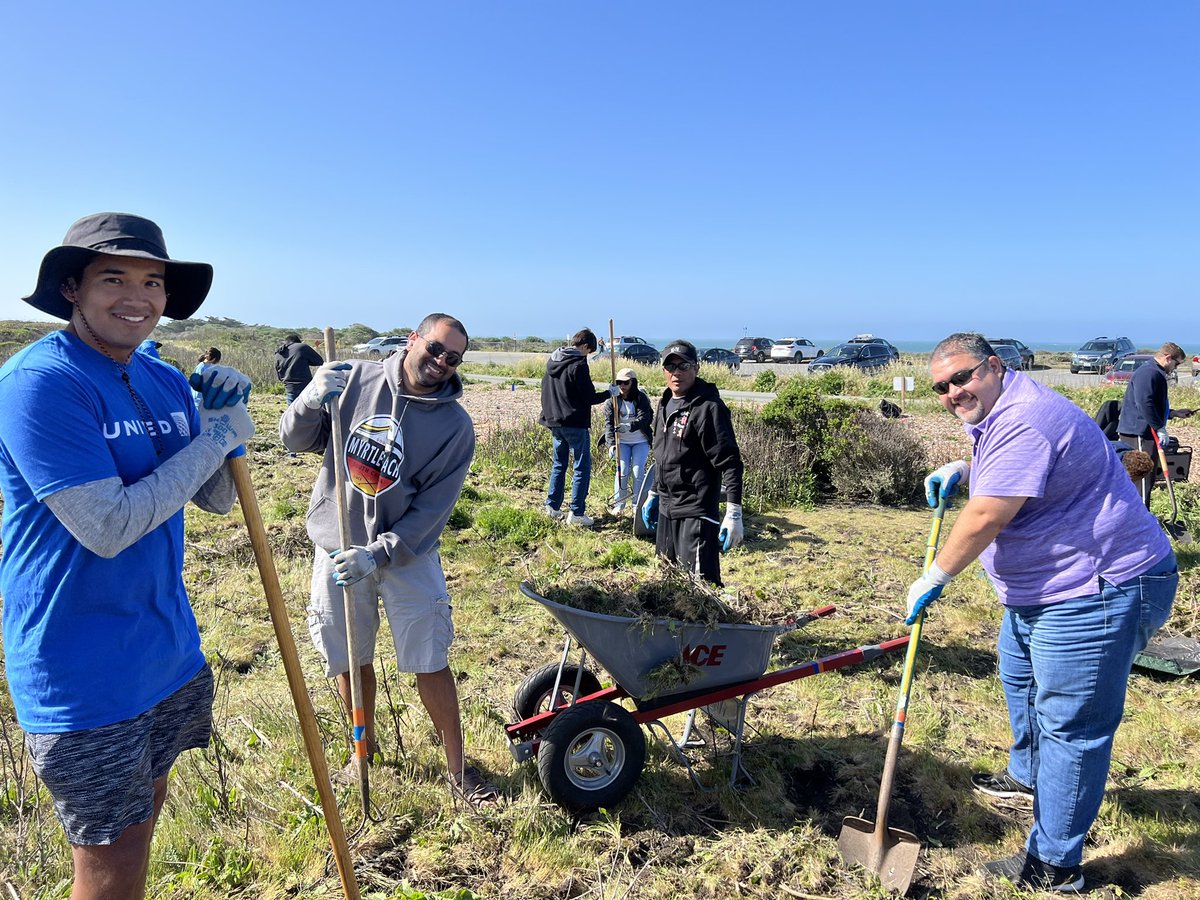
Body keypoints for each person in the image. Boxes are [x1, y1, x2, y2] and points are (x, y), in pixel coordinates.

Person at [0, 212, 254, 899]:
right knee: (107, 870)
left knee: (138, 836)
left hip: (164, 649)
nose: (136, 295)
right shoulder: (39, 383)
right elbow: (107, 526)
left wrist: (217, 426)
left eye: (152, 280)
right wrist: (214, 439)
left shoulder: (164, 378)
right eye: (114, 277)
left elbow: (216, 501)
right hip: (81, 666)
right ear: (73, 288)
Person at [907, 333, 1177, 893]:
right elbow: (1012, 466)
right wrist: (964, 466)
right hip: (1043, 592)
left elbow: (984, 518)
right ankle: (1028, 778)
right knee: (1020, 677)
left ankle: (1054, 864)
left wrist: (935, 576)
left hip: (1096, 588)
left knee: (1072, 729)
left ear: (994, 366)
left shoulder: (1024, 416)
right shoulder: (1002, 408)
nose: (953, 392)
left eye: (962, 378)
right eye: (942, 387)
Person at [279, 312, 499, 805]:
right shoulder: (355, 380)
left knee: (428, 658)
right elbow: (293, 440)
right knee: (348, 656)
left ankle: (458, 770)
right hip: (338, 543)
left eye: (453, 358)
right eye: (436, 349)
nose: (442, 362)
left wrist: (377, 554)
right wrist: (310, 399)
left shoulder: (455, 427)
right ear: (413, 339)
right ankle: (363, 750)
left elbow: (431, 513)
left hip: (406, 554)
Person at [639, 339, 744, 585]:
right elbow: (663, 455)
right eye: (670, 367)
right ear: (664, 371)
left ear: (696, 368)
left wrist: (734, 513)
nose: (677, 372)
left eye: (684, 365)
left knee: (699, 589)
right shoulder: (665, 402)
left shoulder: (709, 408)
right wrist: (653, 493)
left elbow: (730, 462)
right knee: (667, 582)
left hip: (696, 511)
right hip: (667, 507)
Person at [538, 328, 618, 527]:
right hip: (574, 422)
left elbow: (545, 391)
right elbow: (589, 397)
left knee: (559, 464)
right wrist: (610, 393)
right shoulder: (578, 364)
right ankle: (577, 513)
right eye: (589, 351)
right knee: (581, 467)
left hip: (554, 421)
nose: (588, 355)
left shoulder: (553, 360)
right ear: (584, 346)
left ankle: (552, 508)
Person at [1116, 342, 1194, 507]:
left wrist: (1173, 413)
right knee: (1141, 477)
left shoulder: (1154, 372)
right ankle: (1139, 519)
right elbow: (1145, 403)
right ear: (1167, 358)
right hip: (1138, 432)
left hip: (1145, 431)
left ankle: (1140, 516)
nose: (1176, 368)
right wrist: (1159, 428)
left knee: (1147, 478)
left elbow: (1153, 404)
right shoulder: (1149, 372)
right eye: (1176, 363)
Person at [603, 366, 653, 514]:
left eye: (626, 383)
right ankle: (619, 504)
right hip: (622, 442)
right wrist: (611, 444)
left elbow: (645, 418)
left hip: (640, 440)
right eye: (619, 383)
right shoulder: (612, 401)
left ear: (633, 383)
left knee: (638, 472)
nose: (622, 386)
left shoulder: (641, 398)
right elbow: (608, 424)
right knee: (622, 472)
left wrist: (629, 426)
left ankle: (637, 505)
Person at [276, 333, 325, 404]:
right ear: (298, 341)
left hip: (290, 388)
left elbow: (279, 374)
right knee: (309, 413)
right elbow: (319, 361)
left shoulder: (279, 352)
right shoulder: (302, 347)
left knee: (293, 413)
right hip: (304, 387)